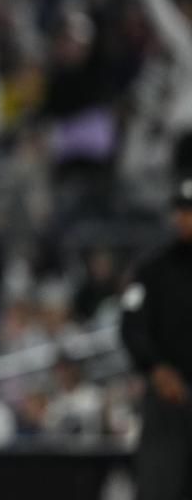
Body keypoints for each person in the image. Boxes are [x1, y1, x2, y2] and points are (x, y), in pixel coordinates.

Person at [121, 176, 192, 500]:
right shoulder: (151, 268)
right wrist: (155, 368)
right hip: (167, 396)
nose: (185, 218)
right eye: (181, 210)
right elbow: (131, 324)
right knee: (161, 485)